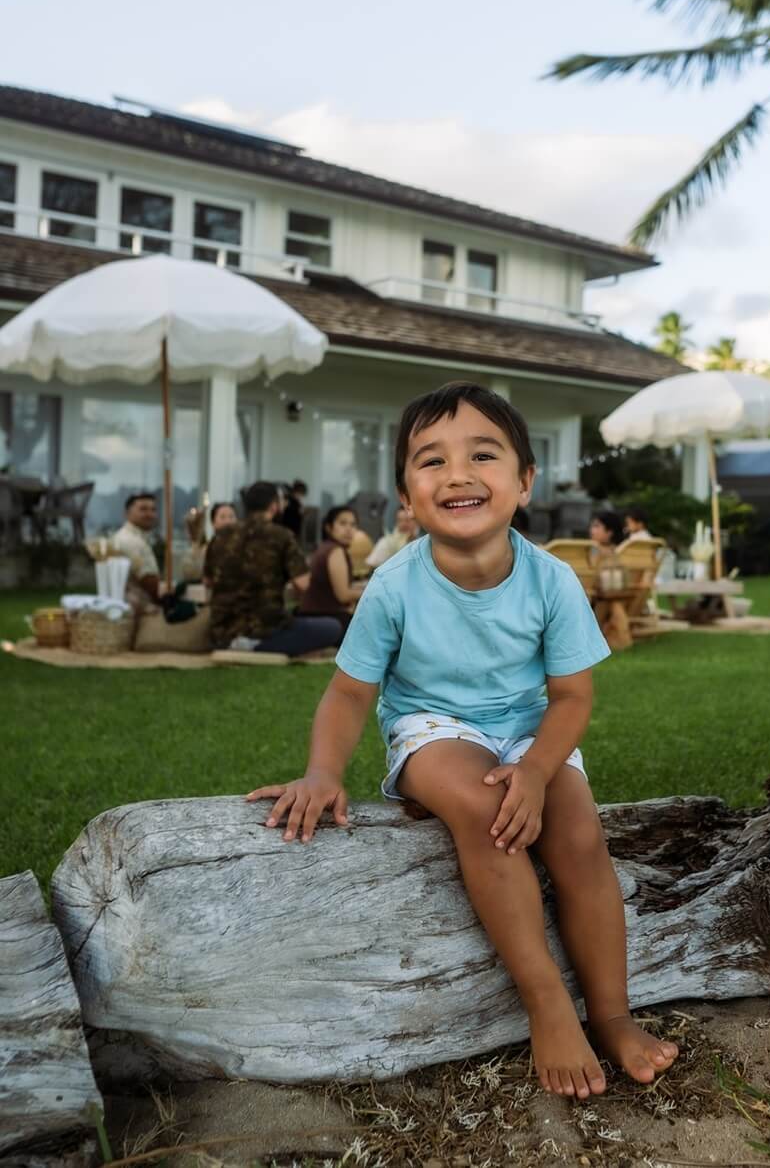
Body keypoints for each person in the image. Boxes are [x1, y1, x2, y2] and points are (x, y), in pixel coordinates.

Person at [246, 381, 678, 1097]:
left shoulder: (551, 579)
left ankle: (610, 1014)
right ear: (406, 496)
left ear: (524, 481)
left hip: (528, 730)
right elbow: (351, 691)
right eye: (431, 461)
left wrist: (539, 770)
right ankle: (545, 1003)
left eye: (483, 454)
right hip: (432, 726)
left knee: (578, 834)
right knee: (486, 809)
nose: (457, 474)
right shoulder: (393, 585)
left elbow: (572, 697)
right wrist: (323, 772)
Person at [204, 481, 342, 656]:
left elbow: (208, 581)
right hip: (264, 630)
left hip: (221, 633)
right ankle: (255, 646)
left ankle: (236, 644)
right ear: (274, 506)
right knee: (332, 627)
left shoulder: (220, 537)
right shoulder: (282, 536)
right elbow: (303, 584)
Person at [296, 505, 365, 633]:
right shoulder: (335, 551)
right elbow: (343, 595)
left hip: (316, 616)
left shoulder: (325, 547)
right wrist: (370, 592)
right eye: (343, 523)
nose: (349, 529)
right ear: (329, 527)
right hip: (325, 620)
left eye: (353, 524)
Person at [111, 491, 161, 611]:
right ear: (127, 514)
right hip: (137, 610)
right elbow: (149, 583)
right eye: (143, 509)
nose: (150, 514)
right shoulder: (129, 540)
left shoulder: (137, 537)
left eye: (153, 509)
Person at [180, 501, 238, 581]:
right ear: (213, 522)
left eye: (231, 517)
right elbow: (190, 574)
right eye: (222, 517)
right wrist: (195, 544)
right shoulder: (206, 549)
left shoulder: (242, 548)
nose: (228, 521)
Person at [365, 506, 420, 570]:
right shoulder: (386, 542)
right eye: (399, 520)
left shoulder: (424, 543)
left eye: (407, 520)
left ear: (416, 522)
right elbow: (371, 565)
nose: (403, 524)